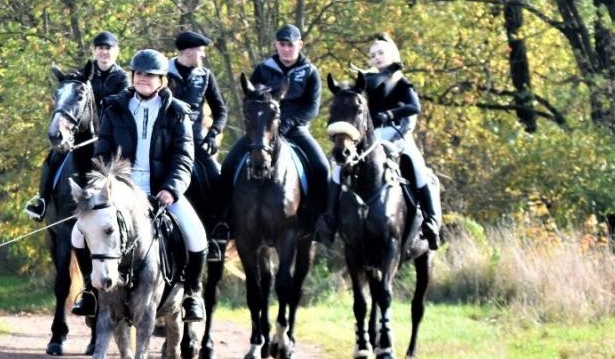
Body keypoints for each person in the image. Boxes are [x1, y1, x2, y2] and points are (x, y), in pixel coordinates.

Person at [72, 49, 207, 322]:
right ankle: (89, 292)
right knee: (77, 233)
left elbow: (183, 158)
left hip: (163, 191)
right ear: (133, 76)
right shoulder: (114, 108)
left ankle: (192, 295)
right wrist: (103, 186)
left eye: (150, 75)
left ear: (162, 79)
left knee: (196, 236)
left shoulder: (178, 113)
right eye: (139, 73)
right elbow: (103, 153)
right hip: (122, 192)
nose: (143, 79)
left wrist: (171, 189)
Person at [317, 33, 442, 248]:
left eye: (381, 53)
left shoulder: (402, 82)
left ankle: (430, 222)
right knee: (337, 168)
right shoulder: (371, 80)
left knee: (419, 168)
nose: (376, 57)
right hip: (372, 138)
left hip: (399, 134)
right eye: (373, 55)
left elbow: (414, 108)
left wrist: (389, 115)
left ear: (391, 54)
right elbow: (366, 87)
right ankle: (329, 220)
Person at [215, 23, 329, 231]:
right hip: (263, 131)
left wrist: (287, 123)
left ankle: (321, 221)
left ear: (300, 45)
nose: (286, 49)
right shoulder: (263, 69)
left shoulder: (310, 72)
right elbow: (252, 100)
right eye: (282, 44)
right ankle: (223, 221)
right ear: (276, 45)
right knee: (229, 164)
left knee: (322, 167)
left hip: (295, 129)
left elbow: (311, 108)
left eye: (290, 45)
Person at [26, 30, 129, 220]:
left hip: (112, 133)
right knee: (53, 156)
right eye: (100, 48)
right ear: (94, 51)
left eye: (108, 48)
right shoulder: (85, 74)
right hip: (82, 134)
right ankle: (42, 201)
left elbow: (123, 103)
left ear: (116, 52)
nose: (104, 52)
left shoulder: (122, 78)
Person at [167, 30, 227, 209]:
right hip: (166, 142)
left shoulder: (205, 75)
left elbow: (220, 110)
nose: (203, 54)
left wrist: (213, 134)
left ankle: (220, 226)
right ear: (189, 52)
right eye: (201, 50)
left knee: (217, 178)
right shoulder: (162, 74)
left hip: (196, 142)